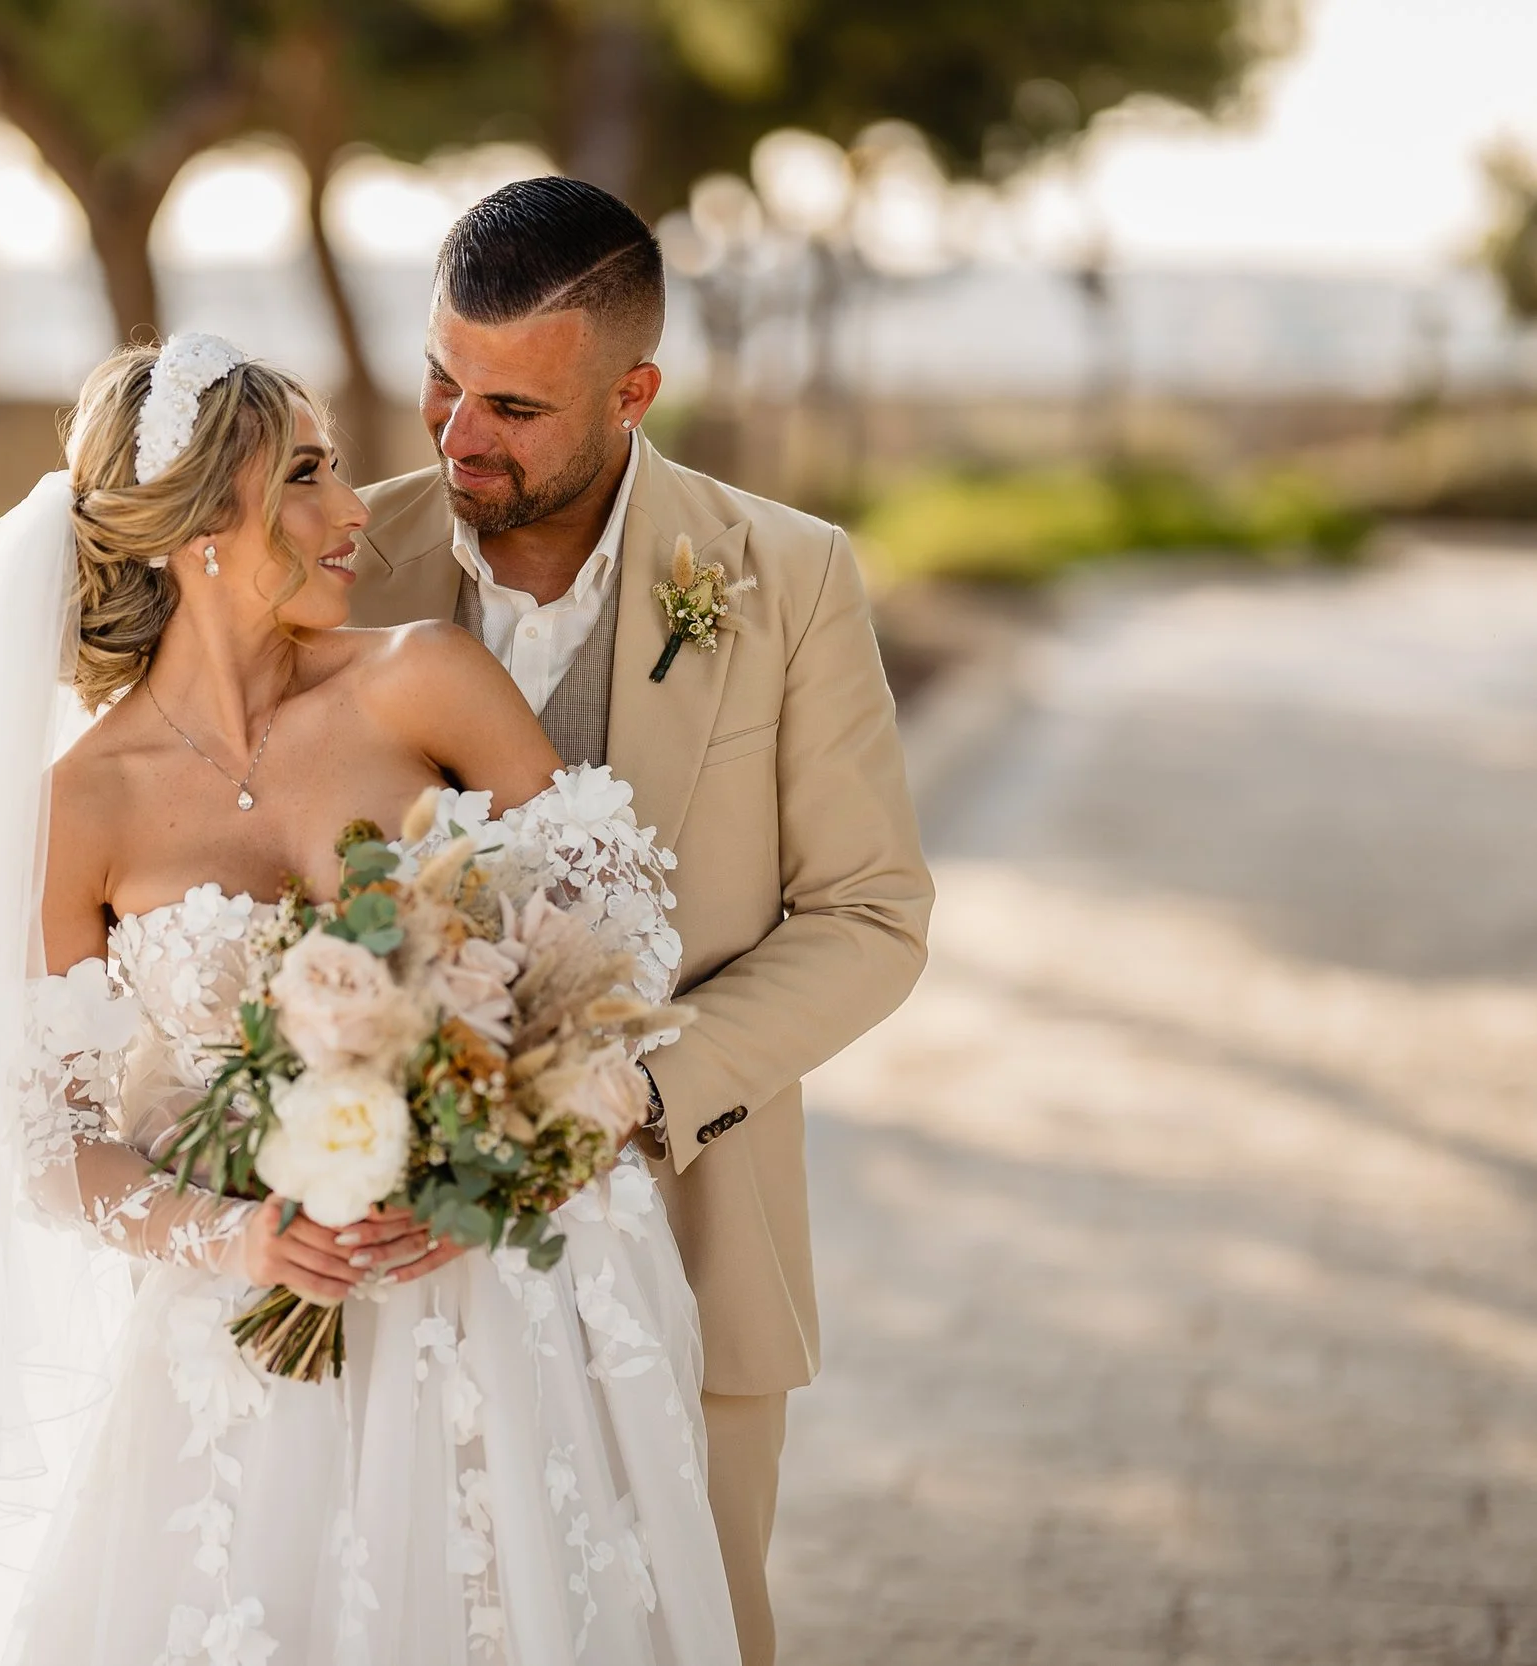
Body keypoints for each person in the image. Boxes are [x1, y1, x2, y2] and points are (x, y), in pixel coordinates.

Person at [0, 330, 742, 1664]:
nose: (352, 510)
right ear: (201, 529)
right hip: (257, 1348)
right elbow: (48, 1143)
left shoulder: (423, 676)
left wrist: (499, 1158)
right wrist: (235, 1237)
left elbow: (611, 956)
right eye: (307, 475)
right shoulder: (78, 810)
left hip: (508, 1293)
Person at [348, 177, 935, 1666]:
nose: (455, 432)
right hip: (390, 1270)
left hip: (693, 1243)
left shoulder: (787, 577)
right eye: (439, 379)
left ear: (635, 392)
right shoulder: (339, 566)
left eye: (513, 406)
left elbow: (872, 915)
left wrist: (639, 1086)